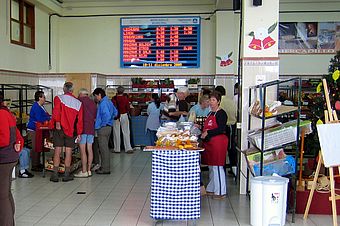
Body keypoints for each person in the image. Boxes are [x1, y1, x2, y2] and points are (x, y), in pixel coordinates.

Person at [50, 82, 83, 182]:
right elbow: (80, 121)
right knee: (68, 152)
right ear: (72, 90)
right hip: (71, 130)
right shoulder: (78, 103)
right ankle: (66, 175)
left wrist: (58, 122)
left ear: (64, 89)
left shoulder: (58, 98)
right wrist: (79, 133)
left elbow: (56, 111)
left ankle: (55, 175)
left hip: (59, 129)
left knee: (57, 151)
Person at [0, 91, 24, 225]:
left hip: (4, 159)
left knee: (2, 196)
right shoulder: (6, 112)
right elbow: (18, 136)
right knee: (6, 193)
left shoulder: (1, 113)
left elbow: (3, 139)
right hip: (9, 157)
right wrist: (18, 146)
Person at [201, 91, 228, 199]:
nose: (211, 103)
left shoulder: (221, 113)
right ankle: (212, 189)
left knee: (217, 166)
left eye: (213, 100)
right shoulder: (210, 113)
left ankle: (221, 192)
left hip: (218, 142)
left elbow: (221, 129)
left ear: (219, 102)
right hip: (210, 143)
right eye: (210, 100)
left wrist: (208, 132)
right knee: (212, 167)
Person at [93, 88, 117, 174]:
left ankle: (105, 169)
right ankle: (104, 167)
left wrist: (102, 124)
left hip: (103, 128)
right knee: (105, 148)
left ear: (99, 94)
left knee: (103, 149)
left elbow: (106, 115)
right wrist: (109, 121)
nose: (96, 98)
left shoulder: (103, 103)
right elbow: (115, 112)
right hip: (109, 127)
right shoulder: (109, 102)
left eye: (96, 96)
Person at [74, 88, 97, 178]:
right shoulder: (93, 102)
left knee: (83, 151)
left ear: (80, 94)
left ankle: (83, 171)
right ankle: (89, 170)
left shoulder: (78, 101)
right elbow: (95, 116)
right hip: (91, 128)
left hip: (82, 129)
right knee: (90, 149)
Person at [215, 85, 237, 176]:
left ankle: (222, 168)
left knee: (221, 148)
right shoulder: (231, 101)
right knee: (231, 148)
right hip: (231, 126)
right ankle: (234, 168)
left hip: (222, 128)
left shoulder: (219, 103)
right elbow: (236, 113)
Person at [27, 90, 51, 172]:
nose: (45, 99)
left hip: (39, 129)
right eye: (44, 97)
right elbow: (39, 119)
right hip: (33, 129)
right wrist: (49, 118)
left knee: (39, 146)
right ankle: (34, 165)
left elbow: (45, 115)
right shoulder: (36, 106)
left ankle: (37, 163)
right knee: (35, 147)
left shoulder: (41, 106)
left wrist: (49, 117)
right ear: (39, 98)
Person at [112, 86, 133, 154]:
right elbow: (128, 108)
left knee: (116, 132)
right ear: (123, 91)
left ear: (117, 91)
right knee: (126, 132)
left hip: (116, 116)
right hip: (124, 115)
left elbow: (112, 108)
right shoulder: (125, 98)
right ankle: (128, 148)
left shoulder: (114, 99)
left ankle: (117, 149)